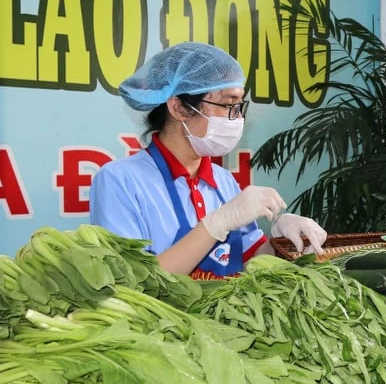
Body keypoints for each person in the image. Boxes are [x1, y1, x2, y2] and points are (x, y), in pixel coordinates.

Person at [89, 42, 327, 279]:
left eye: (239, 105)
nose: (237, 118)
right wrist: (215, 225)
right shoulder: (119, 181)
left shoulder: (223, 180)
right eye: (227, 105)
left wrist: (283, 242)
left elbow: (250, 261)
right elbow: (132, 281)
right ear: (179, 108)